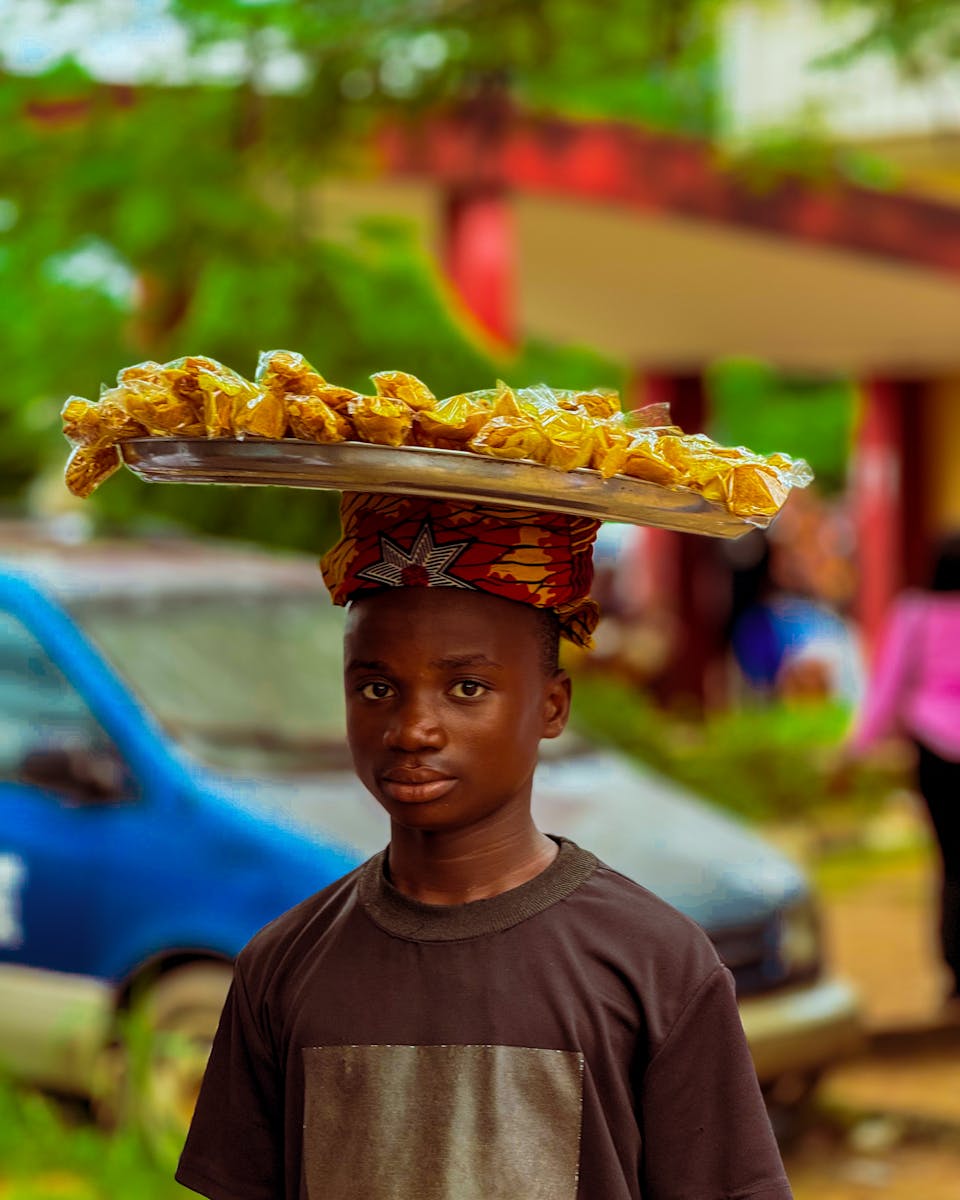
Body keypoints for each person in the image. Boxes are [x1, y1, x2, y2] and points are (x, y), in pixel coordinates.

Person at [176, 493, 793, 1200]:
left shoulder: (656, 966)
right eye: (376, 687)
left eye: (466, 688)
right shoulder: (282, 968)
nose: (413, 729)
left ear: (552, 707)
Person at [848, 531, 960, 1004]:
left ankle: (955, 972)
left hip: (935, 752)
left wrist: (857, 749)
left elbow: (889, 686)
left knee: (951, 864)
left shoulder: (914, 613)